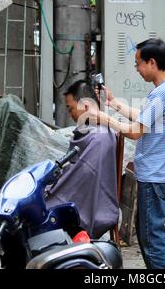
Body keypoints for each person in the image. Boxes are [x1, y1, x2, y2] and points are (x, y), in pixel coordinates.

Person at [87, 38, 165, 269]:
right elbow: (144, 118)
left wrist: (105, 119)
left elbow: (135, 132)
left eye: (138, 63)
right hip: (161, 173)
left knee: (152, 239)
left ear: (152, 62)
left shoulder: (162, 94)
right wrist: (112, 103)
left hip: (155, 175)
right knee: (148, 234)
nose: (137, 69)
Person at [45, 79, 119, 239]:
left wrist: (54, 194)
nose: (70, 114)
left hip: (90, 205)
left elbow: (83, 175)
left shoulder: (99, 137)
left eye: (71, 109)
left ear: (85, 106)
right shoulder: (92, 133)